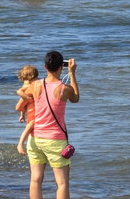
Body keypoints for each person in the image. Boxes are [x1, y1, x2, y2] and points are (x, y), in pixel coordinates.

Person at [27, 51, 79, 199]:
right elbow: (76, 98)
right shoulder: (65, 89)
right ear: (61, 68)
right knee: (62, 183)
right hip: (55, 140)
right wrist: (73, 73)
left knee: (35, 180)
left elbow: (24, 95)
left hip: (35, 138)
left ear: (45, 67)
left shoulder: (35, 85)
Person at [15, 65, 40, 155]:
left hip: (30, 108)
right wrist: (29, 99)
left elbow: (23, 105)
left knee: (30, 126)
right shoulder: (29, 85)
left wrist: (22, 115)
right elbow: (20, 93)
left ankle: (25, 143)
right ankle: (20, 143)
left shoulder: (30, 83)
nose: (28, 81)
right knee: (30, 125)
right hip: (31, 107)